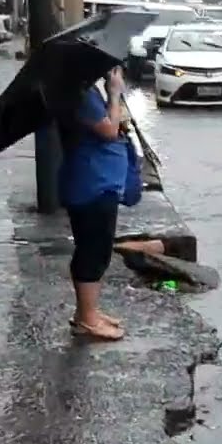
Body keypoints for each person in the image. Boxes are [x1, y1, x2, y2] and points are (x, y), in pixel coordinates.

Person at [57, 67, 130, 341]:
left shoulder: (83, 91)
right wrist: (114, 93)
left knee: (95, 247)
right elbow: (109, 130)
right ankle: (87, 319)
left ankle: (87, 312)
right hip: (92, 183)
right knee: (93, 250)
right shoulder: (80, 95)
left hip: (95, 181)